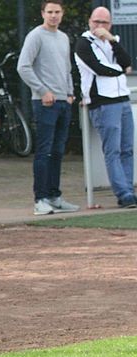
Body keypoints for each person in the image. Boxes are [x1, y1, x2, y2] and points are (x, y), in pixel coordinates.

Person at [18, 0, 80, 216]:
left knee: (58, 151)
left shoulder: (63, 37)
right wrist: (43, 91)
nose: (54, 16)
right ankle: (40, 199)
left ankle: (54, 196)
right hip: (45, 103)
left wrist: (70, 92)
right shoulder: (36, 36)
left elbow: (67, 67)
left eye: (57, 12)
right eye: (50, 12)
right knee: (44, 151)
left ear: (62, 14)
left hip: (64, 102)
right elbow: (23, 66)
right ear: (43, 13)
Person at [75, 7, 137, 209]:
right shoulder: (84, 43)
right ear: (90, 21)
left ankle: (127, 191)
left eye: (105, 23)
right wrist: (121, 70)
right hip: (103, 102)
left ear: (110, 25)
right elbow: (100, 69)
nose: (100, 27)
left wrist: (112, 40)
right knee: (113, 150)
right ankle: (123, 192)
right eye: (96, 22)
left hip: (122, 99)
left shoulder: (112, 41)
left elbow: (127, 61)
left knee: (127, 148)